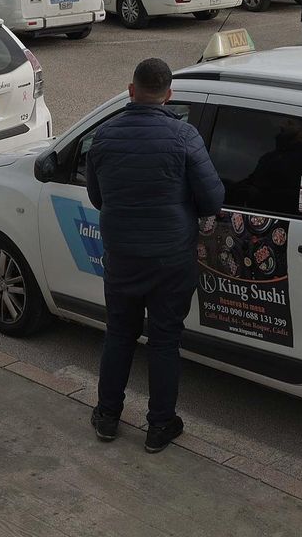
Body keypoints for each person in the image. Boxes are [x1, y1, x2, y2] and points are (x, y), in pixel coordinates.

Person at [87, 58, 223, 453]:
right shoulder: (184, 137)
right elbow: (213, 200)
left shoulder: (104, 136)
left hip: (123, 258)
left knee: (119, 336)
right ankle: (160, 426)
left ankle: (107, 417)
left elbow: (99, 197)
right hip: (171, 261)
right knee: (164, 341)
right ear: (169, 94)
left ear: (131, 90)